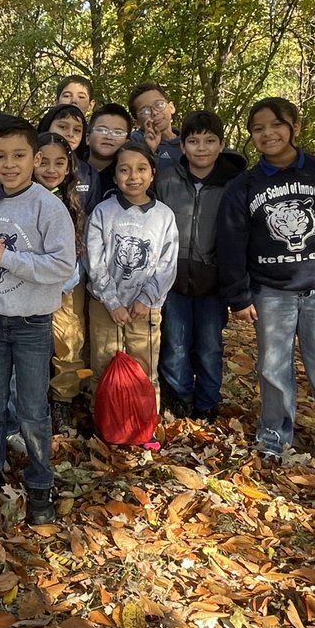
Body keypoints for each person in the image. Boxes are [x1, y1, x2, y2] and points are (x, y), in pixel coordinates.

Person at [218, 97, 315, 473]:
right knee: (272, 371)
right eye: (257, 129)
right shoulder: (245, 186)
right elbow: (230, 242)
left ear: (295, 127)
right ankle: (273, 436)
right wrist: (238, 295)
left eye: (275, 125)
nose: (267, 134)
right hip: (270, 294)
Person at [0, 120, 76, 526]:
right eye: (1, 156)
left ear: (35, 159)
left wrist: (6, 257)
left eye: (19, 156)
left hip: (32, 323)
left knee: (31, 409)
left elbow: (62, 265)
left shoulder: (48, 206)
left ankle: (40, 483)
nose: (10, 164)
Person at [154, 111, 245, 422]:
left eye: (209, 141)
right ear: (182, 145)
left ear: (220, 145)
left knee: (209, 346)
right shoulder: (166, 179)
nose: (201, 148)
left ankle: (207, 404)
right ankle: (179, 400)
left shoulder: (233, 185)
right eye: (193, 141)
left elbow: (242, 233)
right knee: (175, 342)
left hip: (213, 281)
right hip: (173, 278)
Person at [85, 142, 178, 441]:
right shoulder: (103, 212)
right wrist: (111, 301)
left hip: (145, 309)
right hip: (105, 305)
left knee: (144, 366)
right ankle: (105, 423)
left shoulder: (164, 216)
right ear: (115, 176)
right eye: (124, 169)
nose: (133, 176)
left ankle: (144, 425)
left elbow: (167, 263)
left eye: (141, 169)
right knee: (104, 363)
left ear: (152, 174)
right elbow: (94, 259)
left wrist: (146, 299)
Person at [32, 132, 89, 436]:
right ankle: (34, 402)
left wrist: (65, 281)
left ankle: (62, 403)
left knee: (68, 343)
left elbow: (76, 249)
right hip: (29, 288)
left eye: (59, 163)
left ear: (68, 168)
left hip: (66, 286)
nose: (51, 169)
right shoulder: (18, 197)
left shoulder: (71, 202)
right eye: (43, 161)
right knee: (33, 348)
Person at [37, 104, 99, 213]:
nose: (70, 134)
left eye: (77, 130)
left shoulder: (89, 174)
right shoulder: (26, 169)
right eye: (62, 127)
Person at [85, 104, 133, 201]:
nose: (109, 137)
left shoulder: (130, 177)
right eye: (102, 130)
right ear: (88, 138)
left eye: (118, 133)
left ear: (126, 143)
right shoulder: (72, 170)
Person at [128, 83, 180, 168]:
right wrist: (149, 150)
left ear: (171, 107)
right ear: (137, 122)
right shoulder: (134, 141)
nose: (154, 113)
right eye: (145, 111)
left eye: (159, 105)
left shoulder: (188, 141)